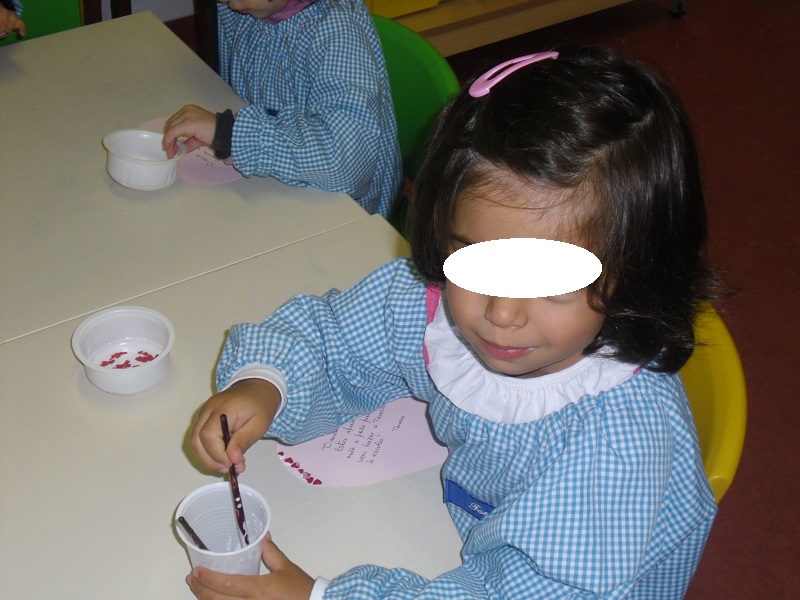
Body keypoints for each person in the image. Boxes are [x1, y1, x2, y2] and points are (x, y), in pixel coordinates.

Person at [185, 45, 724, 599]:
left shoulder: (617, 443)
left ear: (638, 272)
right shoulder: (436, 303)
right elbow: (333, 339)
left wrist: (323, 597)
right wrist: (266, 383)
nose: (501, 313)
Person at [162, 0, 402, 218]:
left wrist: (230, 134)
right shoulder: (246, 7)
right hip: (280, 190)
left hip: (346, 215)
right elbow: (240, 100)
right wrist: (227, 130)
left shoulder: (339, 33)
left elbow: (349, 167)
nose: (229, 3)